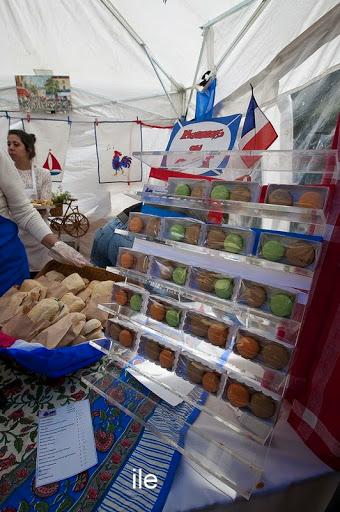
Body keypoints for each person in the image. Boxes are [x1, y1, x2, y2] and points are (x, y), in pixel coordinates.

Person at [0, 150, 87, 296]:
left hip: (5, 264)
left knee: (15, 313)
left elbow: (23, 210)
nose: (12, 148)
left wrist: (58, 246)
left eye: (17, 145)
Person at [7, 129, 53, 272]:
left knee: (41, 277)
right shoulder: (6, 174)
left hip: (39, 237)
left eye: (16, 144)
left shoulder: (43, 174)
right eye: (8, 144)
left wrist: (26, 208)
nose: (11, 148)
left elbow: (46, 205)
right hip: (15, 235)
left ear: (28, 148)